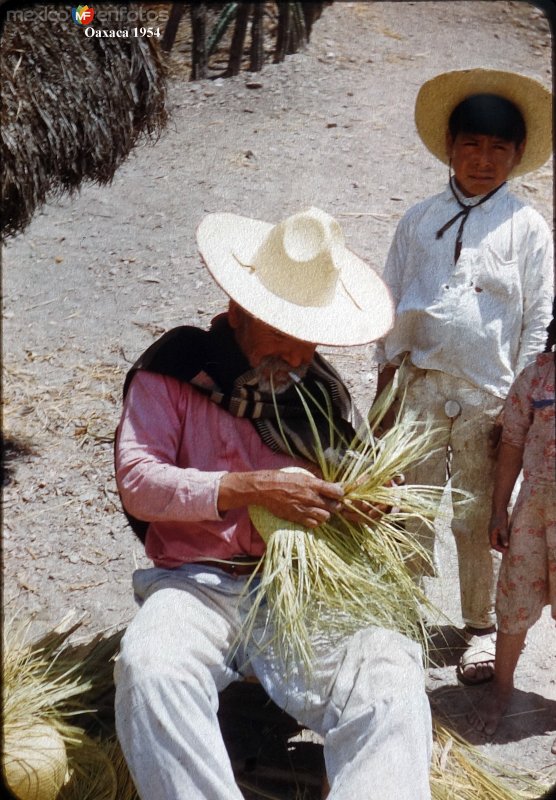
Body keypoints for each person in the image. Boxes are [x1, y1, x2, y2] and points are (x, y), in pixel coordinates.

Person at [113, 207, 434, 800]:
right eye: (282, 333)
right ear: (237, 312)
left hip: (300, 591)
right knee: (150, 668)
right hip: (196, 584)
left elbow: (363, 479)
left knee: (390, 676)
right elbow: (139, 481)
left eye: (309, 337)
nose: (297, 355)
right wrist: (249, 489)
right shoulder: (176, 369)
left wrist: (367, 504)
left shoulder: (321, 392)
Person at [372, 68, 553, 685]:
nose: (483, 159)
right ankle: (404, 612)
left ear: (519, 155)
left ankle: (479, 625)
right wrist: (385, 393)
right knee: (410, 506)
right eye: (471, 145)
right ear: (448, 146)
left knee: (478, 517)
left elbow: (537, 318)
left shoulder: (527, 227)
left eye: (498, 149)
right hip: (421, 387)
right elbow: (390, 303)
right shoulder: (419, 220)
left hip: (489, 400)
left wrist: (519, 410)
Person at [469, 300, 555, 743]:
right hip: (534, 515)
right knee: (516, 602)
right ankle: (502, 690)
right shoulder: (537, 376)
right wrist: (499, 509)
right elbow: (512, 447)